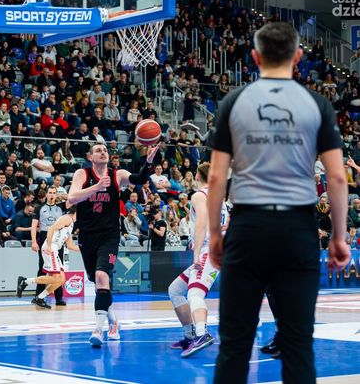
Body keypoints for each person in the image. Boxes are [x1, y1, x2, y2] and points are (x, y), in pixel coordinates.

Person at [207, 22, 350, 384]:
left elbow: (216, 178)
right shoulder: (317, 104)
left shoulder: (233, 102)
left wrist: (215, 235)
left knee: (234, 346)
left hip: (248, 227)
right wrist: (338, 236)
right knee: (298, 345)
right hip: (297, 229)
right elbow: (336, 178)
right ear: (298, 57)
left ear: (255, 58)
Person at [67, 142, 159, 346]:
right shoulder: (82, 174)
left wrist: (148, 161)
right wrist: (97, 187)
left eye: (105, 150)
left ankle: (98, 329)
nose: (103, 152)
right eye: (98, 150)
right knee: (98, 282)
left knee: (102, 276)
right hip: (87, 236)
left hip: (109, 236)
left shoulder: (117, 175)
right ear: (90, 157)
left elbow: (139, 179)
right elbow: (72, 198)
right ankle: (113, 321)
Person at [168, 163, 228, 357]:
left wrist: (195, 255)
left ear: (196, 176)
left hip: (208, 250)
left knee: (195, 293)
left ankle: (202, 334)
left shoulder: (199, 195)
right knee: (175, 290)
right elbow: (226, 222)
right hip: (217, 248)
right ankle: (190, 335)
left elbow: (201, 223)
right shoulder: (219, 197)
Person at [17, 205, 79, 309]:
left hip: (55, 249)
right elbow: (51, 228)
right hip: (51, 247)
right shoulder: (67, 218)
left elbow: (70, 245)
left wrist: (86, 249)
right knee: (56, 278)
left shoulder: (71, 223)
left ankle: (39, 297)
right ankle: (25, 281)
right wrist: (49, 246)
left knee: (62, 279)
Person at [30, 186, 65, 306]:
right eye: (50, 192)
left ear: (56, 195)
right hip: (44, 236)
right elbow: (34, 226)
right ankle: (38, 296)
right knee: (42, 267)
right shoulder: (39, 208)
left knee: (58, 268)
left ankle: (59, 298)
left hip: (57, 238)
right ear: (46, 194)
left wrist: (61, 197)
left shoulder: (61, 207)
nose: (51, 195)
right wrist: (34, 241)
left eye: (54, 193)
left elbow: (72, 199)